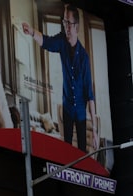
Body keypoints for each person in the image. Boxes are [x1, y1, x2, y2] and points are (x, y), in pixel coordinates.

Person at [23, 5, 97, 151]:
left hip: (81, 112)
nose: (66, 28)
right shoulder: (62, 41)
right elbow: (46, 42)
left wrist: (94, 129)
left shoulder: (83, 57)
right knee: (66, 149)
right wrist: (31, 32)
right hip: (67, 108)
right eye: (64, 23)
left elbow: (90, 94)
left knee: (82, 150)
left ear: (77, 26)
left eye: (69, 23)